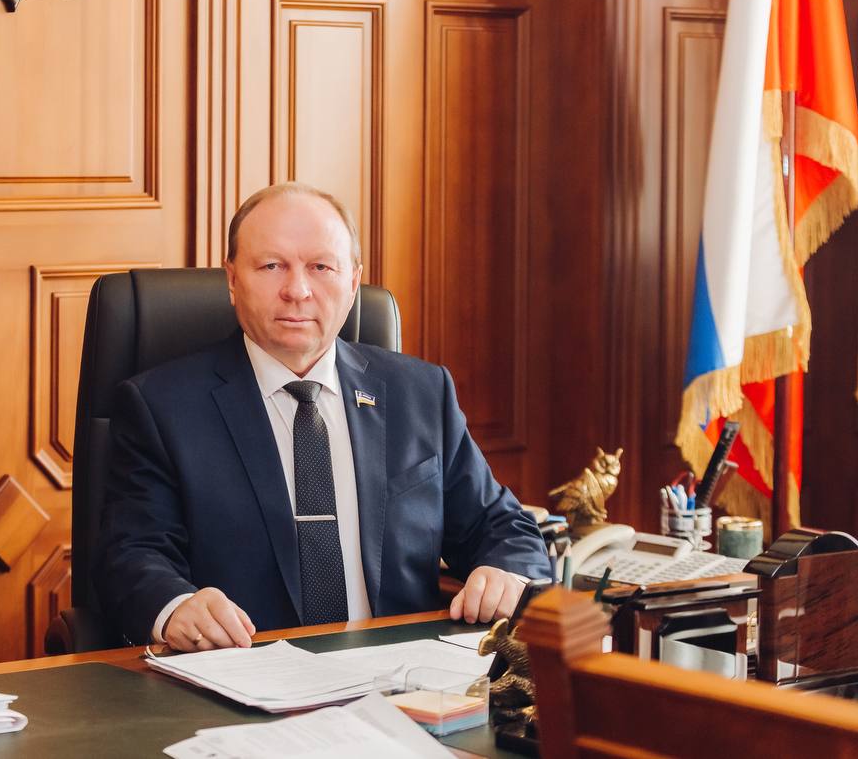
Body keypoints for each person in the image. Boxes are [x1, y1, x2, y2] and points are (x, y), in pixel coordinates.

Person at [94, 182, 552, 652]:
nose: (297, 290)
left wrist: (506, 572)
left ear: (353, 282)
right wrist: (176, 606)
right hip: (245, 673)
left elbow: (501, 525)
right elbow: (133, 554)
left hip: (401, 674)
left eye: (321, 267)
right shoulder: (162, 406)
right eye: (271, 266)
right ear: (232, 279)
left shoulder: (420, 393)